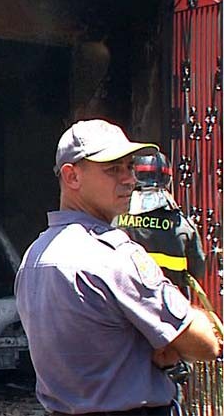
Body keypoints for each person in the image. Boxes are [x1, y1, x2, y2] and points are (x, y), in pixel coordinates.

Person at [14, 119, 220, 416]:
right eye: (113, 169)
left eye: (129, 167)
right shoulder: (112, 254)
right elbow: (205, 344)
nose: (128, 179)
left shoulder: (33, 257)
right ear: (72, 177)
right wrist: (165, 342)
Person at [113, 151, 205, 298]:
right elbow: (198, 271)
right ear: (167, 178)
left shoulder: (115, 220)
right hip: (172, 310)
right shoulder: (183, 225)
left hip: (126, 308)